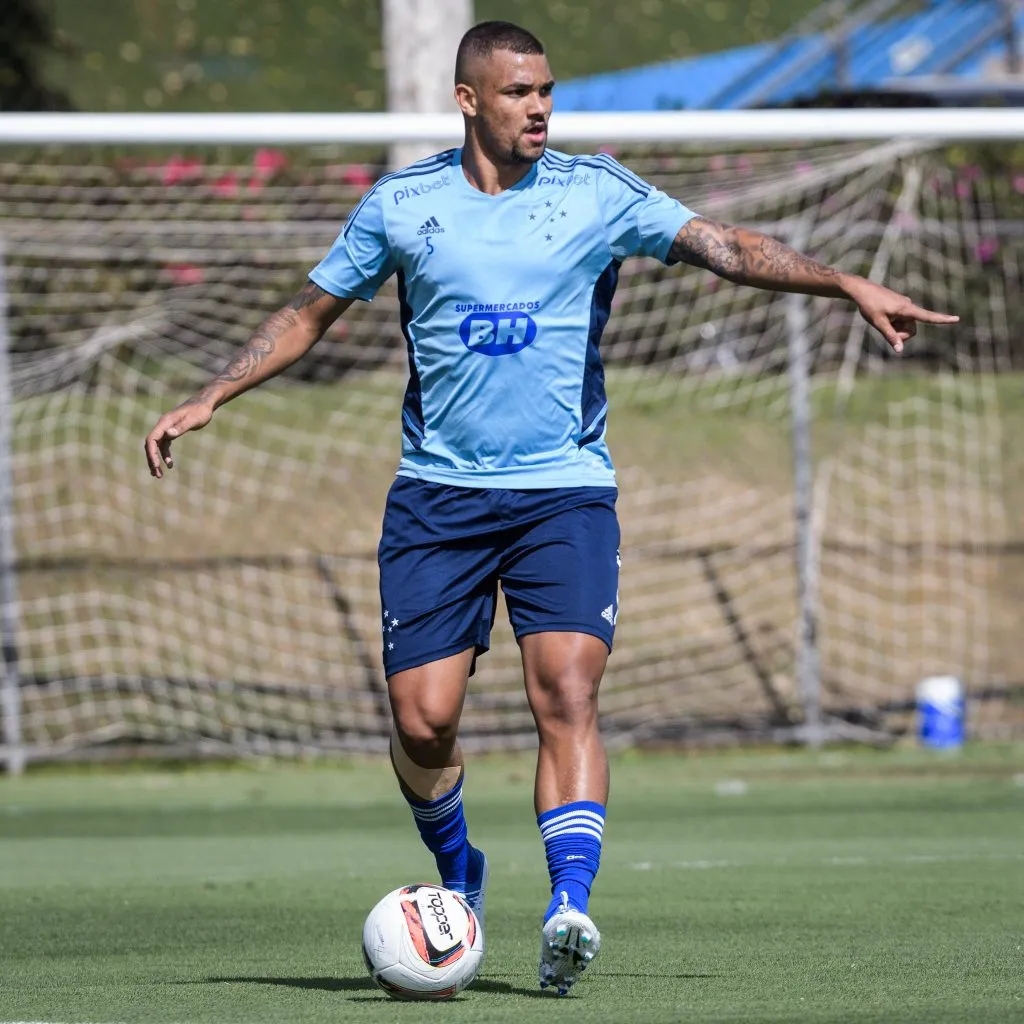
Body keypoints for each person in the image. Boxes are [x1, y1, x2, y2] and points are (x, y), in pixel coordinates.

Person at [144, 20, 958, 996]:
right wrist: (212, 394)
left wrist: (842, 282)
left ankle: (570, 904)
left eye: (547, 90)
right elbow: (307, 314)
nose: (539, 108)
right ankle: (461, 872)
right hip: (437, 497)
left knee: (566, 692)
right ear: (468, 100)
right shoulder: (403, 205)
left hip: (562, 492)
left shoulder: (595, 192)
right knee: (423, 722)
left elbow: (725, 246)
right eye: (518, 92)